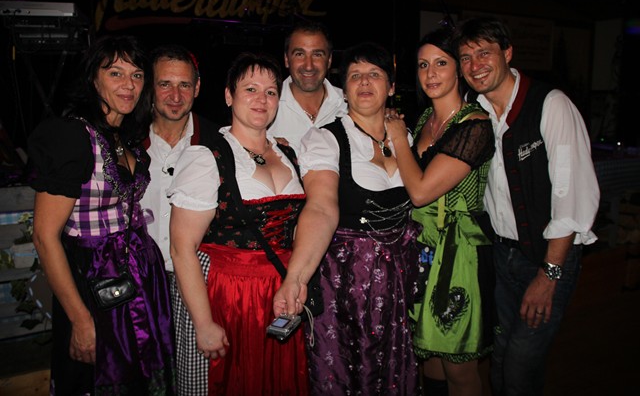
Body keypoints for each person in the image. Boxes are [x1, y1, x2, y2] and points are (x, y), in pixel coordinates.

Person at [453, 16, 600, 396]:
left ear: (507, 53)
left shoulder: (550, 105)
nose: (474, 65)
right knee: (501, 360)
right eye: (466, 57)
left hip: (547, 258)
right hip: (502, 258)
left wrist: (548, 276)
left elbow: (571, 199)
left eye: (484, 53)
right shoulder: (475, 112)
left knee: (520, 367)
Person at [28, 34, 176, 395]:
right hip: (93, 280)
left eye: (137, 75)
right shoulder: (72, 136)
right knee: (100, 377)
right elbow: (45, 237)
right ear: (93, 78)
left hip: (141, 278)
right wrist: (80, 319)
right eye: (115, 73)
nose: (129, 84)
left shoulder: (124, 136)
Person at [273, 41, 421, 395]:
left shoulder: (405, 135)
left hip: (401, 278)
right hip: (348, 281)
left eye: (374, 74)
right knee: (349, 370)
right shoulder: (326, 139)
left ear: (392, 86)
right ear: (345, 88)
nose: (364, 82)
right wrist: (296, 277)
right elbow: (321, 208)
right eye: (355, 75)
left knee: (395, 368)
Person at [167, 51, 310, 395]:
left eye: (271, 91)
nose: (262, 99)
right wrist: (204, 323)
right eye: (250, 89)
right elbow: (181, 249)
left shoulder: (289, 154)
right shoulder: (206, 157)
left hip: (280, 289)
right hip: (227, 293)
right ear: (229, 96)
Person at [386, 27, 496, 396]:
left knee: (458, 365)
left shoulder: (475, 125)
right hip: (421, 248)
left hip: (458, 254)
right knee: (429, 357)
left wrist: (397, 137)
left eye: (441, 63)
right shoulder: (424, 121)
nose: (430, 73)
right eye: (423, 65)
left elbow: (419, 192)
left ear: (459, 69)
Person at [140, 43, 219, 396]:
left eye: (184, 85)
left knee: (195, 383)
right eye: (165, 84)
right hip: (141, 285)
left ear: (197, 87)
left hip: (199, 285)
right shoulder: (126, 142)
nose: (175, 96)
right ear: (150, 87)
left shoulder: (219, 142)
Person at [267, 20, 347, 154]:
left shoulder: (349, 105)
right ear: (286, 59)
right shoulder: (265, 105)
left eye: (317, 55)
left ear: (329, 60)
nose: (308, 66)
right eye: (299, 54)